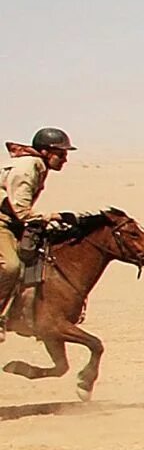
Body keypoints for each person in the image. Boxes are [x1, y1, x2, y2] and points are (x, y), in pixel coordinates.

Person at [0, 127, 73, 318]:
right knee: (11, 266)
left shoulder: (37, 165)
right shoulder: (27, 168)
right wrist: (53, 216)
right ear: (45, 152)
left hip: (11, 221)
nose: (65, 159)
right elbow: (22, 212)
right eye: (61, 154)